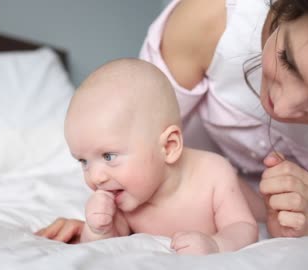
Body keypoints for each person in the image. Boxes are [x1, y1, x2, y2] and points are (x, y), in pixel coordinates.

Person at [137, 0, 308, 246]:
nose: (283, 107)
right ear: (285, 7)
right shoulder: (209, 23)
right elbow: (136, 130)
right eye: (287, 60)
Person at [36, 58, 258, 255]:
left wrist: (216, 245)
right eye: (83, 161)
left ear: (169, 147)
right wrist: (96, 230)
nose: (95, 177)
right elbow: (106, 247)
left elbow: (243, 227)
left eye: (109, 156)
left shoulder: (214, 174)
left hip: (251, 196)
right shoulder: (124, 198)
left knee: (257, 205)